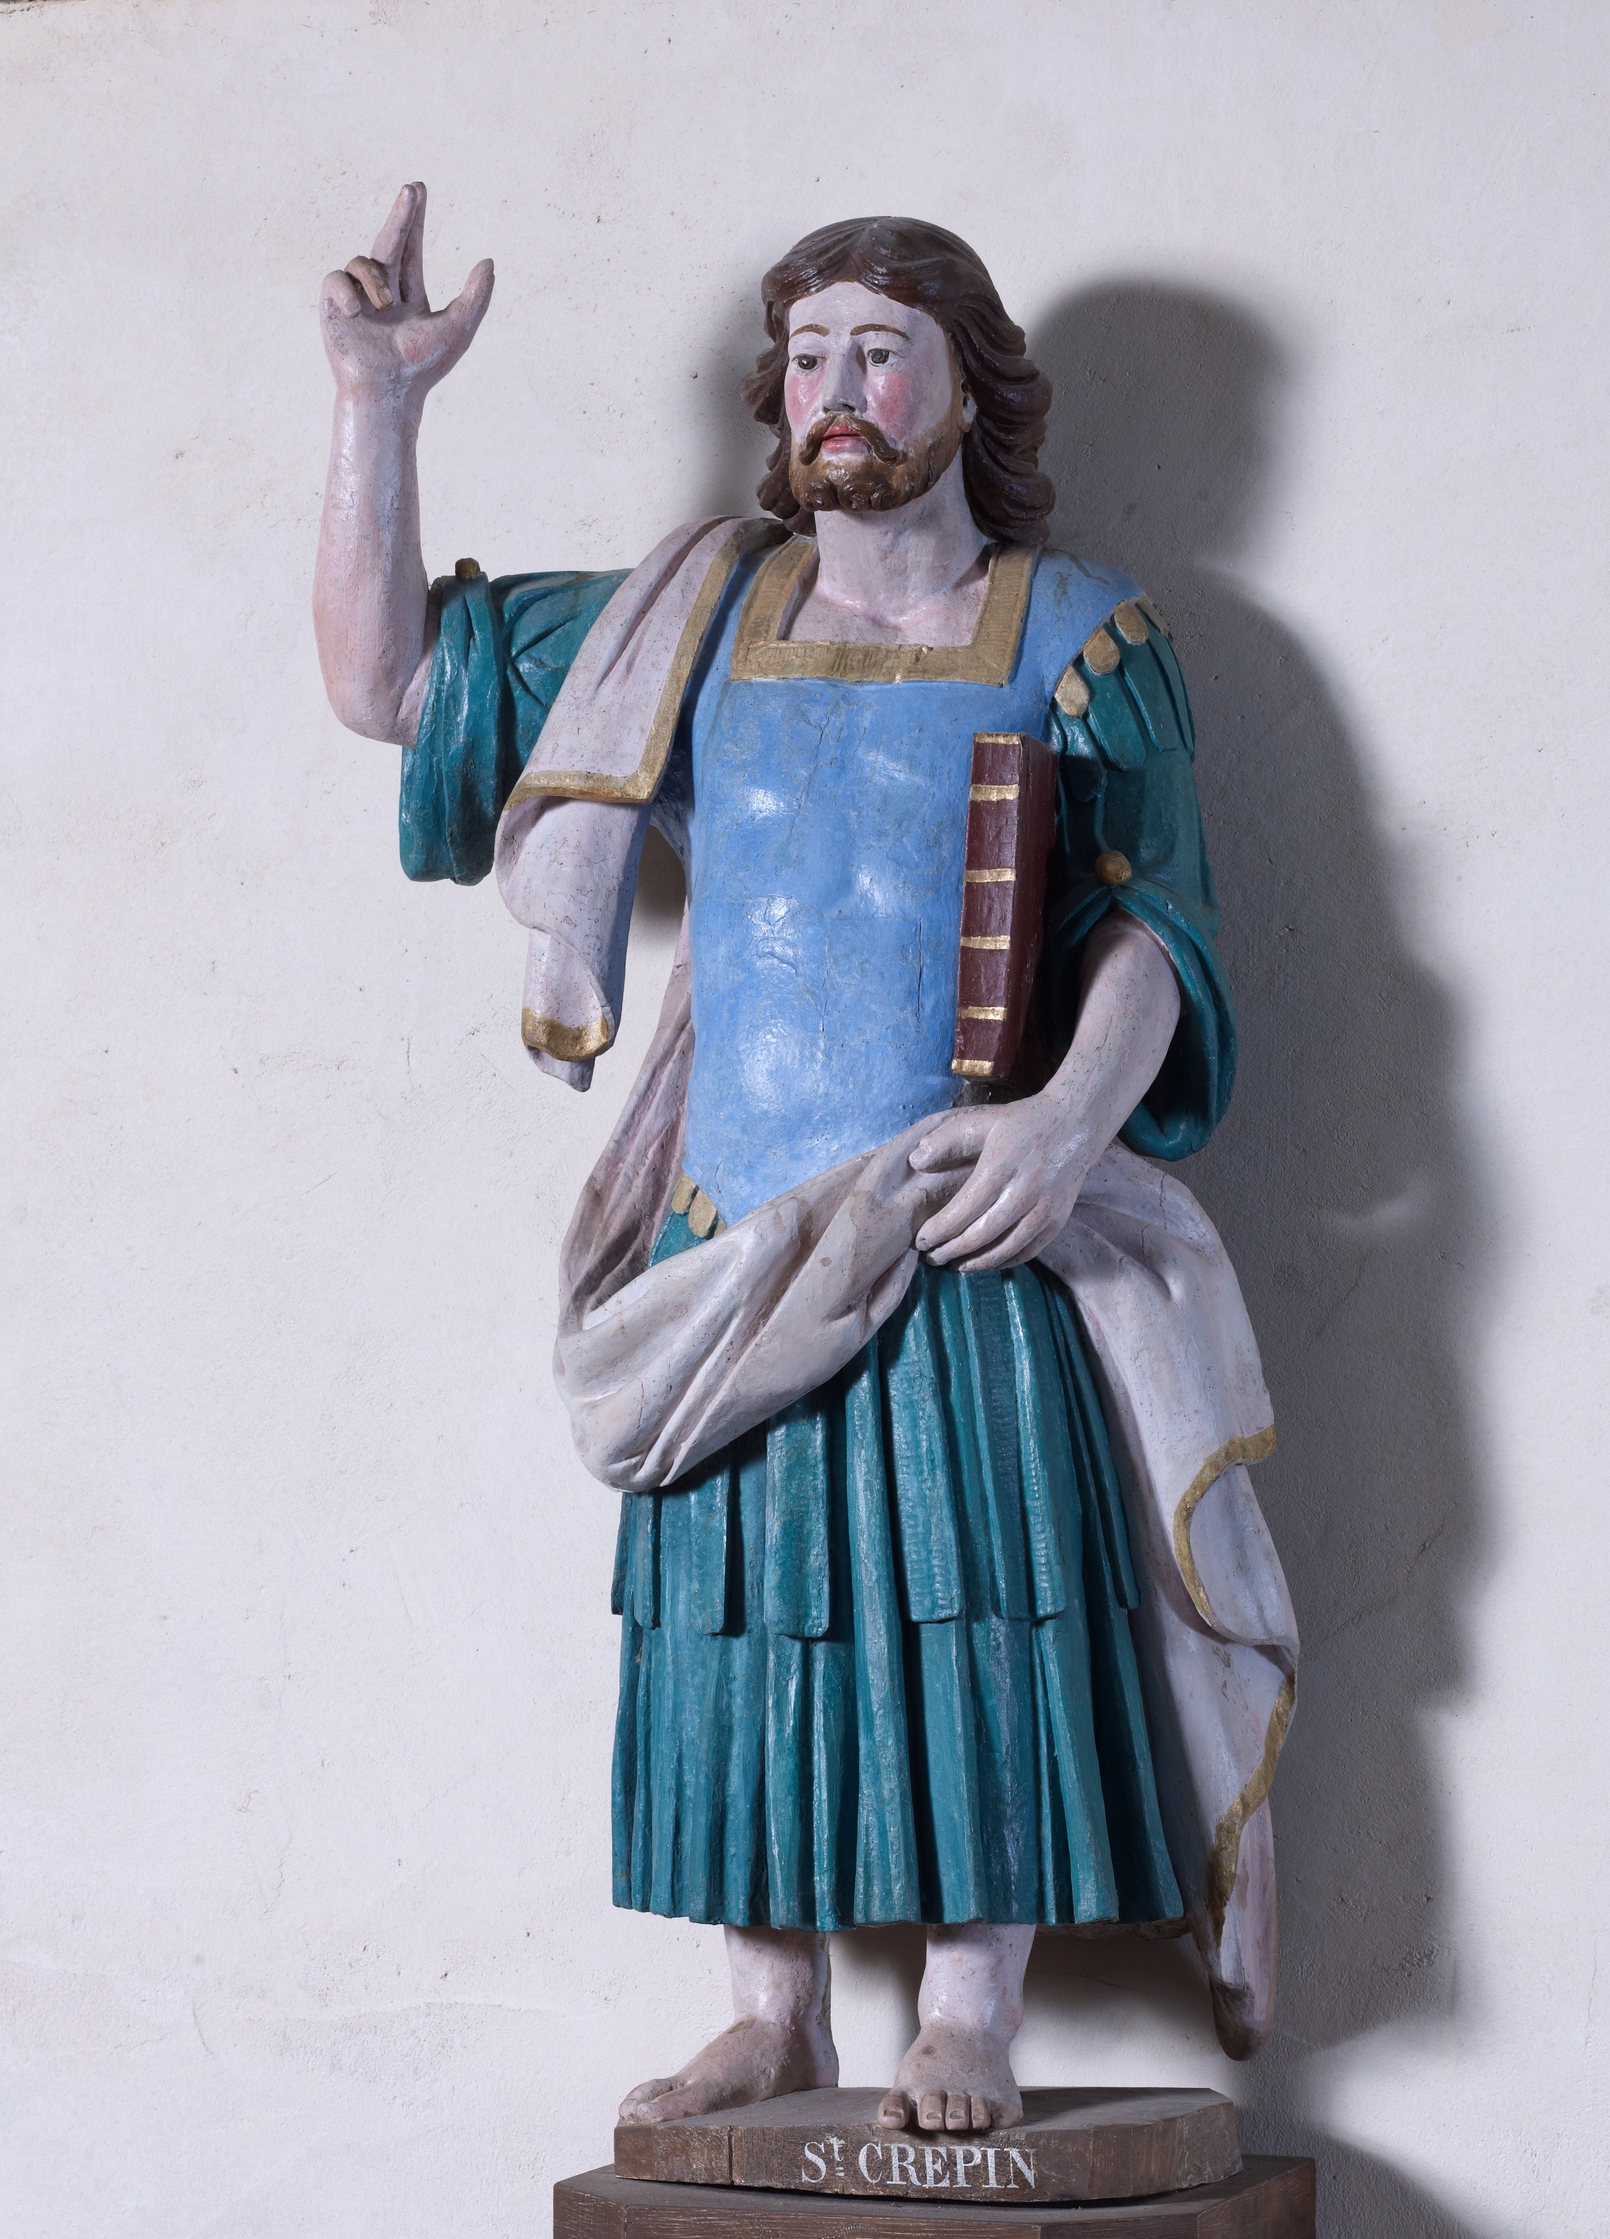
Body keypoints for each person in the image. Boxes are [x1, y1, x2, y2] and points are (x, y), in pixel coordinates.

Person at [314, 187, 1296, 2139]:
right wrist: (377, 411)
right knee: (738, 1621)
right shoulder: (690, 624)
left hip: (959, 1211)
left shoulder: (1083, 633)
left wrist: (1063, 1122)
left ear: (969, 387)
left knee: (987, 1606)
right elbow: (390, 687)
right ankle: (769, 2010)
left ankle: (968, 2009)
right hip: (731, 1230)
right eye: (812, 355)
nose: (839, 388)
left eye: (882, 352)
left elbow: (1154, 928)